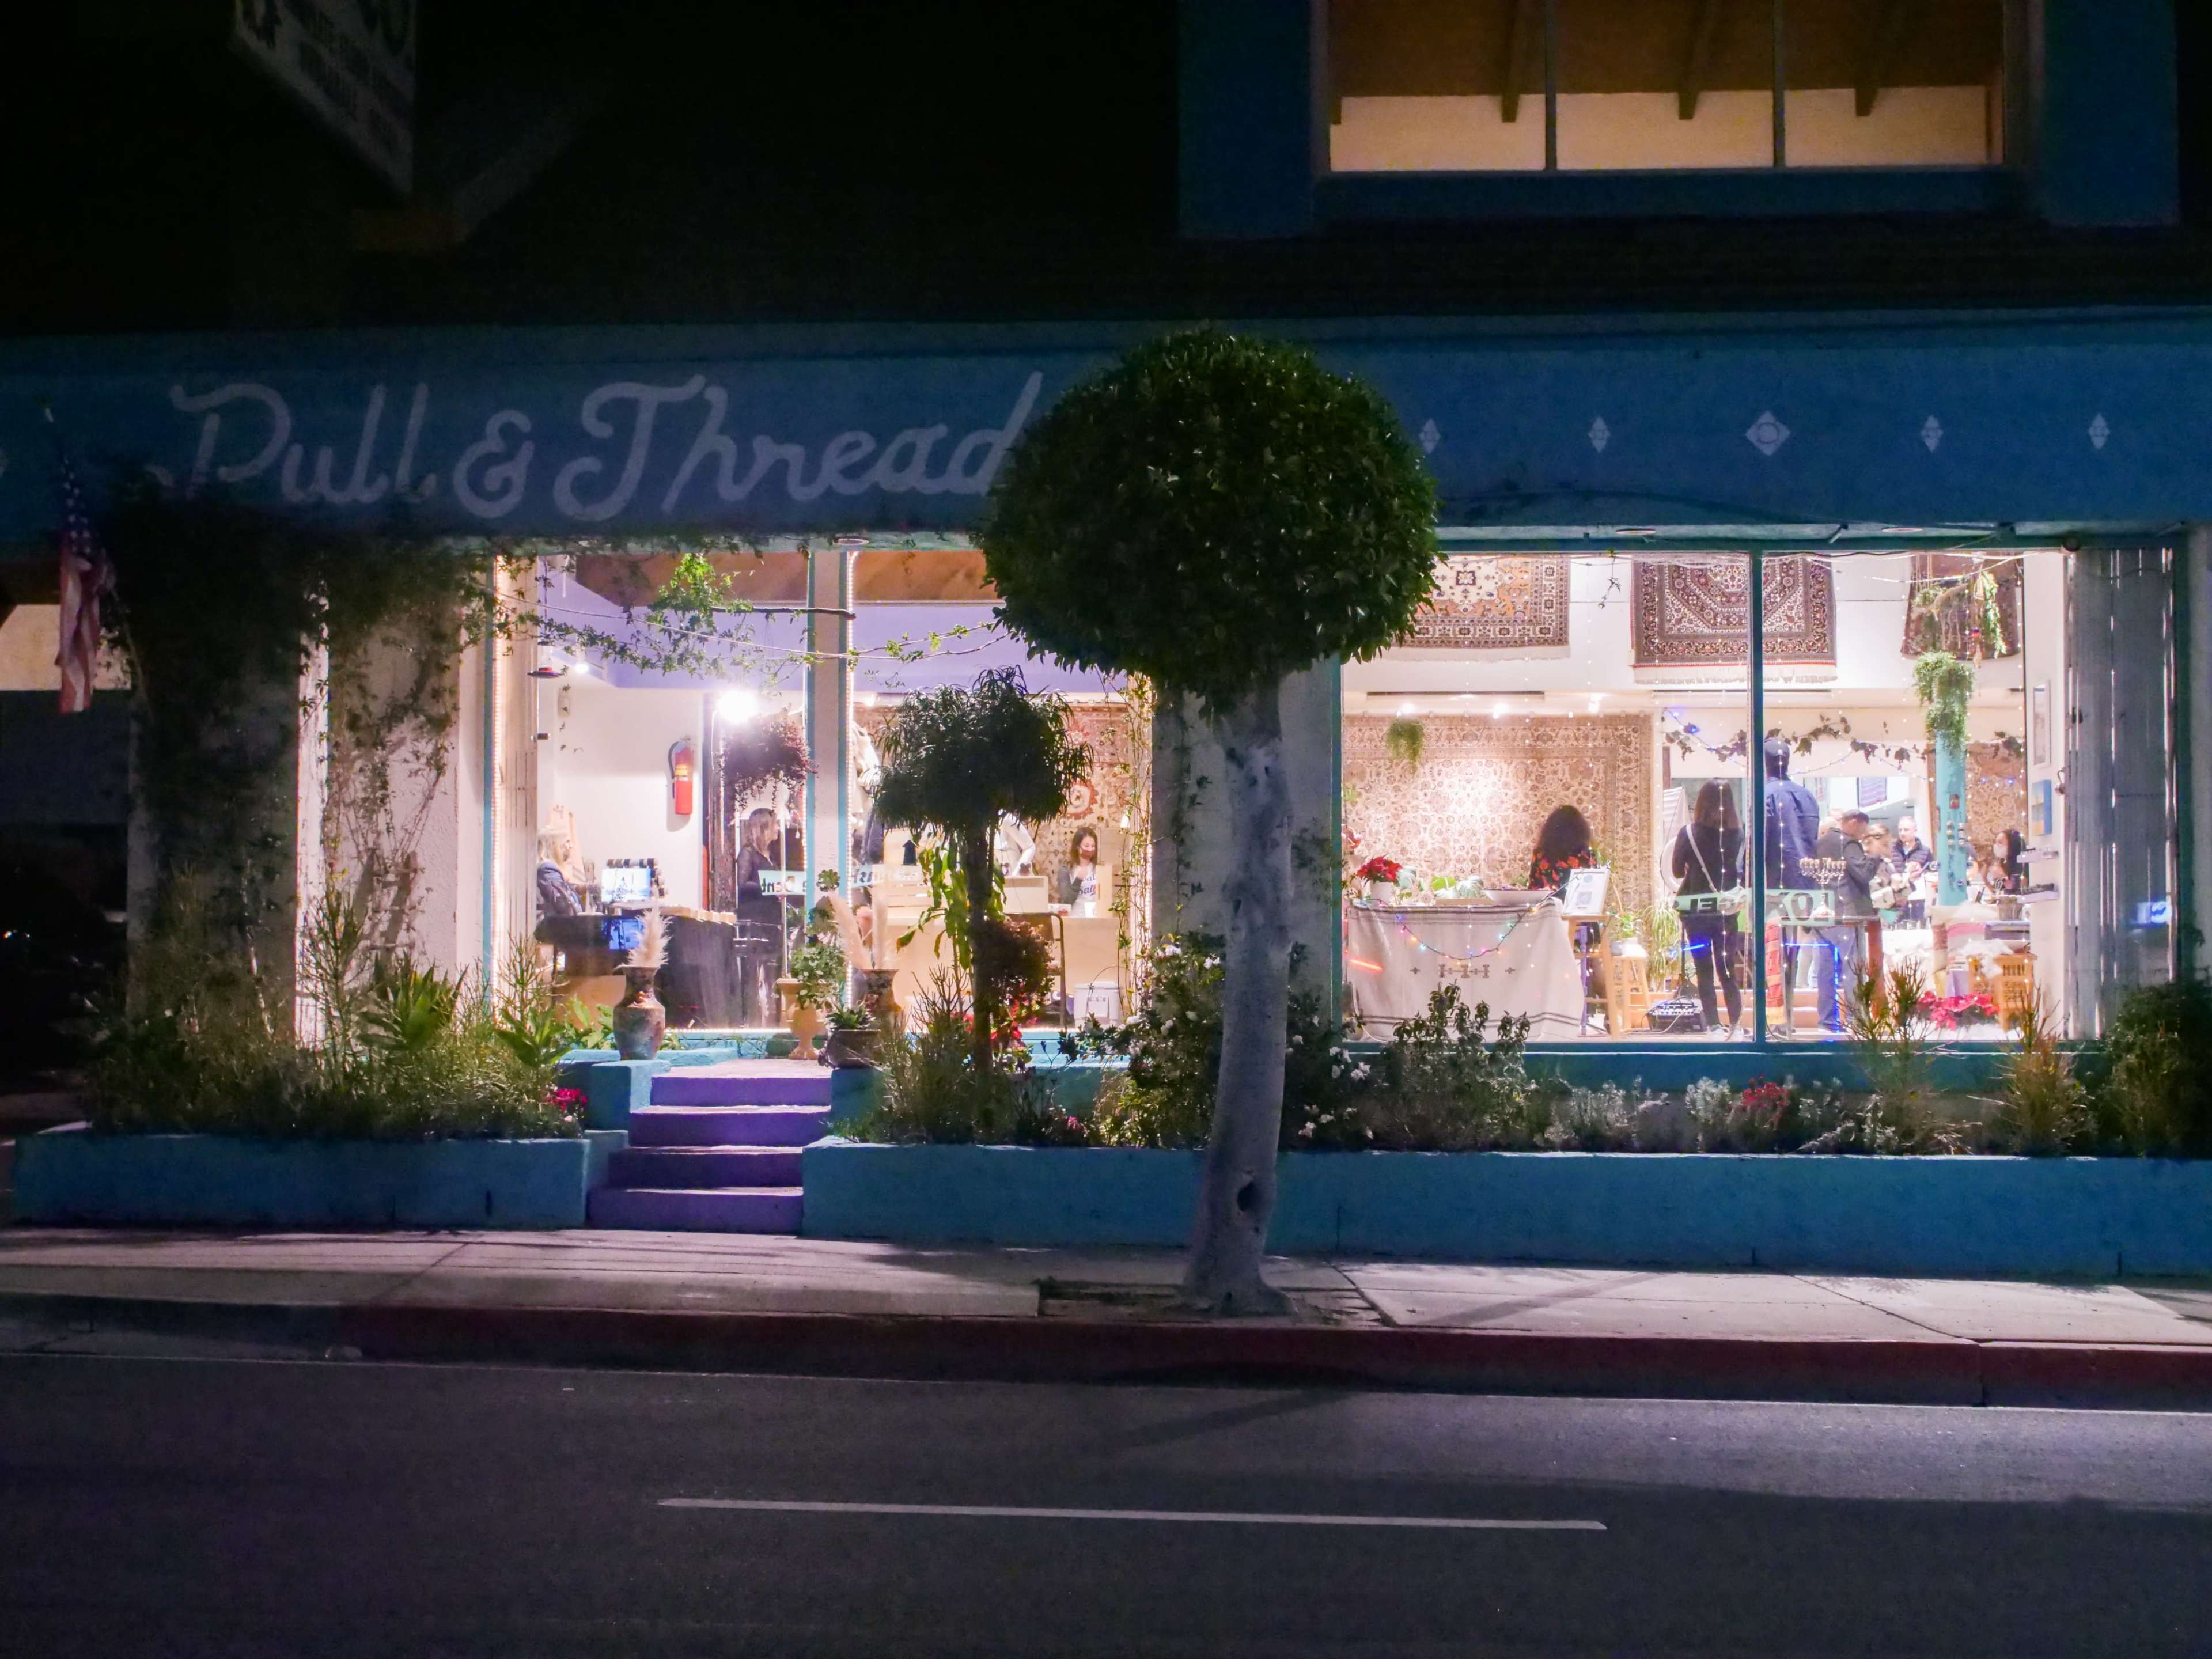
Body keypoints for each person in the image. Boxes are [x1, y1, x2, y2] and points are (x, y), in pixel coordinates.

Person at [1671, 780, 1745, 1036]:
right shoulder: (1739, 833)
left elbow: (1677, 870)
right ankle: (1736, 1025)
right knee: (1727, 969)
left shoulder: (1689, 834)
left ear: (1701, 803)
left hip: (1696, 912)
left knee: (1703, 970)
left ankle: (1713, 1025)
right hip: (1727, 910)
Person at [1811, 808, 1880, 1033]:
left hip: (1823, 916)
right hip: (1847, 916)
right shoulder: (1848, 844)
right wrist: (1875, 857)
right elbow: (1864, 874)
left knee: (1826, 973)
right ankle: (1855, 1020)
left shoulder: (1820, 842)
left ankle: (1827, 1022)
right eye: (1862, 829)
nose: (1863, 835)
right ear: (1853, 822)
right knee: (1853, 971)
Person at [734, 808, 784, 1021]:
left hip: (771, 921)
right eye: (775, 825)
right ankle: (751, 1020)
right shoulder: (747, 853)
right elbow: (742, 884)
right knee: (753, 974)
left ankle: (769, 1017)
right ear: (764, 827)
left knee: (771, 972)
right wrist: (772, 887)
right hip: (754, 922)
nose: (779, 829)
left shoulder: (769, 855)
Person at [1527, 805, 1596, 895]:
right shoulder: (1586, 855)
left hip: (1548, 906)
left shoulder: (1541, 854)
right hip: (1578, 906)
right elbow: (1593, 886)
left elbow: (1534, 888)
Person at [1892, 813, 1934, 923]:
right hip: (1896, 900)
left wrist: (1922, 871)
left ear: (1915, 830)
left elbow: (1932, 874)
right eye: (1900, 830)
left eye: (1906, 830)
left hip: (1919, 899)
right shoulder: (1892, 849)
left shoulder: (1925, 851)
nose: (1902, 833)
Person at [1056, 824, 1104, 914]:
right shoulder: (1066, 870)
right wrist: (1078, 880)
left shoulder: (1099, 869)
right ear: (1078, 847)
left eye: (1093, 846)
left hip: (1095, 919)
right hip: (1075, 919)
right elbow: (1066, 900)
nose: (1090, 849)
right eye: (1087, 846)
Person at [535, 830, 582, 919]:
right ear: (555, 845)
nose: (571, 846)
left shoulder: (549, 869)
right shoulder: (548, 869)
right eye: (567, 842)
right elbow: (566, 906)